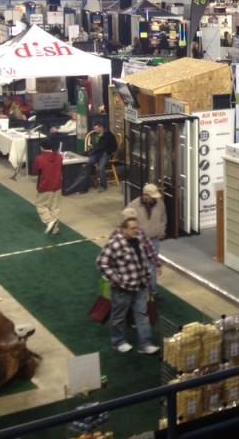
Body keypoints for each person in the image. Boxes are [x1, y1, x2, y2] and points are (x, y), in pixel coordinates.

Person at [96, 216, 160, 354]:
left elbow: (144, 259)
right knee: (119, 316)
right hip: (123, 288)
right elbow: (101, 262)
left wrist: (147, 276)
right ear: (123, 229)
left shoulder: (139, 240)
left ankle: (145, 344)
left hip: (141, 285)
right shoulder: (115, 244)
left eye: (137, 227)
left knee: (142, 314)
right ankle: (118, 341)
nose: (136, 230)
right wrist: (117, 279)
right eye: (132, 228)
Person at [73, 120, 118, 193]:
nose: (95, 130)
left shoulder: (108, 135)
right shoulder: (94, 135)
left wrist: (107, 152)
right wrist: (91, 147)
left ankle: (103, 186)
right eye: (94, 129)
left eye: (96, 129)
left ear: (101, 127)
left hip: (105, 154)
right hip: (95, 153)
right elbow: (93, 144)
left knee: (101, 168)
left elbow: (114, 146)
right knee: (86, 165)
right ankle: (86, 185)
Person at [32, 138, 64, 234]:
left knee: (40, 205)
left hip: (45, 186)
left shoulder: (39, 158)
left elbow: (35, 171)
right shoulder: (59, 157)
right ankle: (55, 227)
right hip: (58, 185)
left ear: (42, 147)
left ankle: (50, 221)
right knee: (55, 206)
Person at [127, 183, 167, 248]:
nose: (155, 198)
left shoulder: (160, 204)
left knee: (154, 257)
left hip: (155, 241)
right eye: (152, 196)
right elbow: (126, 224)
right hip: (139, 241)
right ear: (145, 195)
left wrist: (161, 233)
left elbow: (163, 219)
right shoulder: (132, 206)